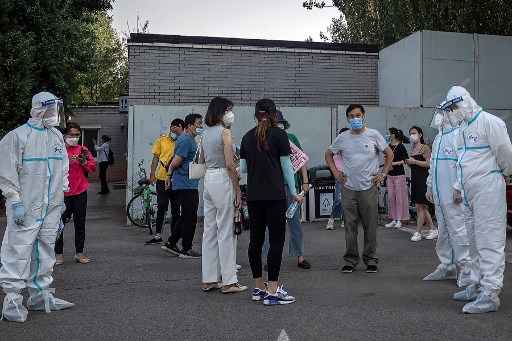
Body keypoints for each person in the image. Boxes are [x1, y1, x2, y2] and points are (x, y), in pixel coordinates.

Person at [0, 92, 74, 322]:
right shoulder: (17, 137)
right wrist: (14, 201)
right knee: (18, 251)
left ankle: (40, 296)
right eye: (51, 110)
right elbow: (6, 174)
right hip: (26, 207)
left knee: (46, 250)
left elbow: (62, 170)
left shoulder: (55, 137)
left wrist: (60, 202)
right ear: (41, 109)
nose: (55, 115)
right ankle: (12, 301)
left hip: (51, 207)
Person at [442, 85, 512, 314]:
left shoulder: (490, 122)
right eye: (450, 107)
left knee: (489, 240)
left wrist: (504, 175)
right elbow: (462, 162)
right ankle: (476, 284)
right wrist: (457, 186)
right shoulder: (461, 129)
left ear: (466, 100)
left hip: (488, 189)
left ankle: (490, 293)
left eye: (455, 105)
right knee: (472, 240)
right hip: (468, 192)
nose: (453, 111)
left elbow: (506, 155)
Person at [240, 98, 302, 305]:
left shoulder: (247, 137)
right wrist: (294, 192)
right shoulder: (280, 134)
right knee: (276, 241)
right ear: (274, 115)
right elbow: (286, 167)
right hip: (275, 195)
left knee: (255, 241)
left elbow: (243, 170)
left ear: (256, 115)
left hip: (254, 195)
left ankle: (258, 288)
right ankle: (273, 290)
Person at [325, 104, 393, 274]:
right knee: (350, 226)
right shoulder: (343, 138)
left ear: (363, 116)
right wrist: (336, 173)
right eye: (351, 116)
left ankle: (370, 259)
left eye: (358, 115)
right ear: (348, 119)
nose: (355, 119)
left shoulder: (374, 135)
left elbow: (389, 154)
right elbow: (328, 154)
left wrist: (382, 174)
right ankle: (350, 260)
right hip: (348, 188)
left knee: (370, 226)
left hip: (369, 187)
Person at [423, 104, 476, 287]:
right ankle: (447, 266)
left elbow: (465, 164)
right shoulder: (439, 137)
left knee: (459, 232)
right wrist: (430, 186)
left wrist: (458, 187)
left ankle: (467, 271)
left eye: (441, 112)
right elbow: (433, 166)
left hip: (453, 195)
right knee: (444, 231)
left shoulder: (458, 135)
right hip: (439, 194)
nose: (438, 116)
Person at [200, 97, 247, 293]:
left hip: (208, 178)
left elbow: (202, 158)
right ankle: (229, 281)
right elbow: (230, 164)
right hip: (223, 179)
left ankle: (209, 279)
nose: (231, 114)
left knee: (209, 230)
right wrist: (237, 189)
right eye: (229, 110)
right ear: (222, 111)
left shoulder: (204, 134)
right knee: (226, 230)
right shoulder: (225, 133)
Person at [262, 111, 311, 269]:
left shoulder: (291, 138)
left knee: (294, 221)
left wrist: (305, 181)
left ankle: (300, 256)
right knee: (270, 224)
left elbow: (301, 159)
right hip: (271, 186)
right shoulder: (263, 139)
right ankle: (269, 257)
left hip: (291, 187)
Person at [161, 113, 203, 259]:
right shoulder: (186, 140)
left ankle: (172, 243)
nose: (200, 126)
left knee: (186, 216)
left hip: (189, 183)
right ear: (190, 125)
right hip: (185, 185)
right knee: (189, 217)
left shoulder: (190, 139)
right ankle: (186, 248)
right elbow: (176, 161)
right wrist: (168, 176)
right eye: (198, 123)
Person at [55, 122, 97, 265]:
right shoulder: (58, 150)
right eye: (71, 135)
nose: (74, 137)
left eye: (77, 135)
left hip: (80, 192)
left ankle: (79, 253)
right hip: (62, 194)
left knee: (80, 223)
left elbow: (92, 167)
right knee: (59, 224)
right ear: (65, 135)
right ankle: (58, 254)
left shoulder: (83, 150)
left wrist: (82, 161)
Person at [145, 119, 185, 245]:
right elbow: (155, 158)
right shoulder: (161, 140)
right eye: (171, 129)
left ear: (180, 128)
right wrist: (152, 174)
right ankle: (158, 235)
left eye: (175, 128)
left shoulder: (182, 141)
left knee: (175, 208)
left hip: (176, 180)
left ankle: (174, 236)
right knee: (162, 205)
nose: (172, 131)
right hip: (161, 178)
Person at [406, 127, 437, 242]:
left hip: (423, 179)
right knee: (422, 207)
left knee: (421, 206)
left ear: (420, 134)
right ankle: (433, 229)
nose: (411, 135)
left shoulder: (425, 147)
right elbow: (413, 165)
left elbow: (429, 164)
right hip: (415, 178)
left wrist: (414, 161)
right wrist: (409, 163)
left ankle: (418, 232)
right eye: (410, 133)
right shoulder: (413, 148)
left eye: (414, 133)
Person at [384, 128, 410, 228]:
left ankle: (399, 219)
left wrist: (394, 163)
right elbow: (385, 157)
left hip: (399, 175)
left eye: (389, 134)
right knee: (391, 197)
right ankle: (393, 218)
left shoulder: (401, 146)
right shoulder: (388, 146)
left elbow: (405, 160)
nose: (388, 135)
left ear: (394, 135)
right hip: (390, 175)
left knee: (399, 197)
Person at [326, 127, 349, 230]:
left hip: (349, 177)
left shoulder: (350, 148)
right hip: (339, 177)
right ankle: (331, 220)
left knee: (347, 200)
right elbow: (328, 157)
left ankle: (344, 219)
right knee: (338, 200)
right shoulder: (335, 148)